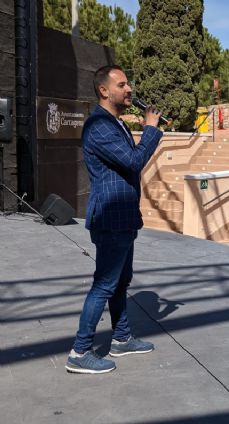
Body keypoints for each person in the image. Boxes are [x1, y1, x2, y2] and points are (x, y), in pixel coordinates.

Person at [67, 65, 162, 374]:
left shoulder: (115, 123)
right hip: (110, 217)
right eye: (122, 84)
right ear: (104, 91)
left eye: (128, 83)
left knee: (120, 281)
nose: (129, 89)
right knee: (105, 284)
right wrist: (151, 129)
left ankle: (121, 338)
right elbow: (133, 161)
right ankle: (80, 352)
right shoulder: (99, 126)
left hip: (123, 216)